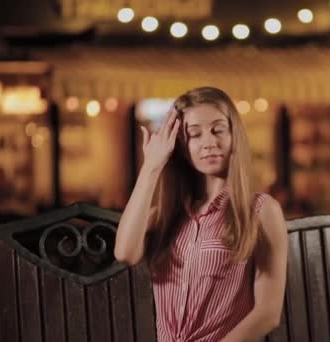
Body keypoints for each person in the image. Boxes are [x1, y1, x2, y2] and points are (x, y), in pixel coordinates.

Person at [114, 86, 288, 342]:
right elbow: (125, 254)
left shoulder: (261, 210)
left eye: (218, 130)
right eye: (195, 134)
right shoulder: (164, 216)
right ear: (182, 146)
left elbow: (267, 313)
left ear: (234, 136)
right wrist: (151, 166)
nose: (209, 143)